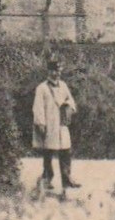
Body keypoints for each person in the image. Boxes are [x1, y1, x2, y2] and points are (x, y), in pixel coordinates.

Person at [31, 56, 79, 191]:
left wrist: (69, 108)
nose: (56, 73)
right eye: (53, 70)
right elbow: (38, 107)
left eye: (58, 70)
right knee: (48, 152)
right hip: (49, 124)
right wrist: (40, 123)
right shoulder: (41, 88)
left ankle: (67, 178)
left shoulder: (63, 85)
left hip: (61, 124)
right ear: (48, 71)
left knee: (66, 151)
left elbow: (70, 100)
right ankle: (47, 178)